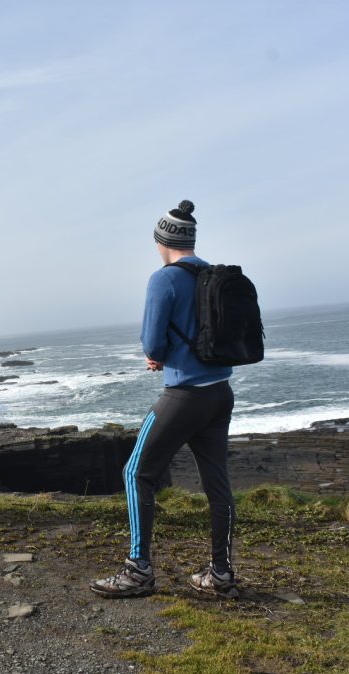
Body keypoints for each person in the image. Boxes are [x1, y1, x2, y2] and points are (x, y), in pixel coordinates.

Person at [90, 200, 239, 599]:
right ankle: (221, 575)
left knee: (136, 473)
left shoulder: (164, 279)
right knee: (217, 485)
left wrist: (156, 355)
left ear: (163, 240)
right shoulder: (212, 273)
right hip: (220, 393)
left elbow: (153, 340)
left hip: (184, 395)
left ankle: (138, 570)